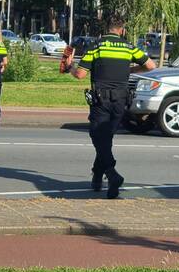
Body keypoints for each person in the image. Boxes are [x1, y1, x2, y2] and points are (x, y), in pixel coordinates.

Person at [60, 14, 156, 198]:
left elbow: (80, 74)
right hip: (121, 102)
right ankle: (97, 177)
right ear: (122, 30)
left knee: (97, 135)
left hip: (101, 101)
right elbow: (151, 66)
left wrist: (70, 66)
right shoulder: (129, 47)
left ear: (107, 28)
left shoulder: (97, 46)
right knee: (106, 138)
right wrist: (130, 70)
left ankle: (112, 174)